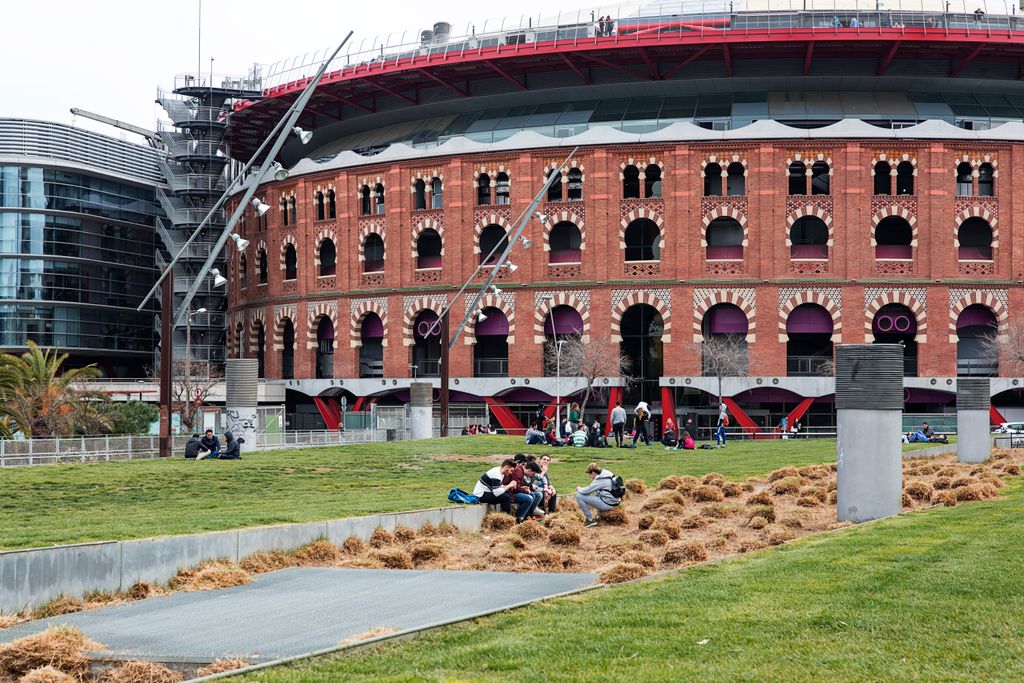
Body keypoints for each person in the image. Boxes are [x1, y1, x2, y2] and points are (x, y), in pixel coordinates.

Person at [575, 462, 620, 528]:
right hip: (615, 502)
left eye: (589, 474)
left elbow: (586, 491)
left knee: (579, 496)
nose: (589, 477)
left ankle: (590, 520)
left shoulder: (600, 480)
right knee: (598, 494)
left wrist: (579, 488)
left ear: (593, 472)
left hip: (608, 505)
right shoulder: (607, 474)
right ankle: (599, 516)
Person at [503, 455, 541, 522]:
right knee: (529, 498)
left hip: (512, 492)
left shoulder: (520, 470)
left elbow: (517, 486)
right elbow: (514, 488)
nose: (532, 476)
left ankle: (527, 516)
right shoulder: (519, 471)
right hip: (509, 493)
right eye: (532, 474)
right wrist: (524, 490)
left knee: (533, 494)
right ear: (529, 470)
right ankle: (518, 519)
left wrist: (523, 488)